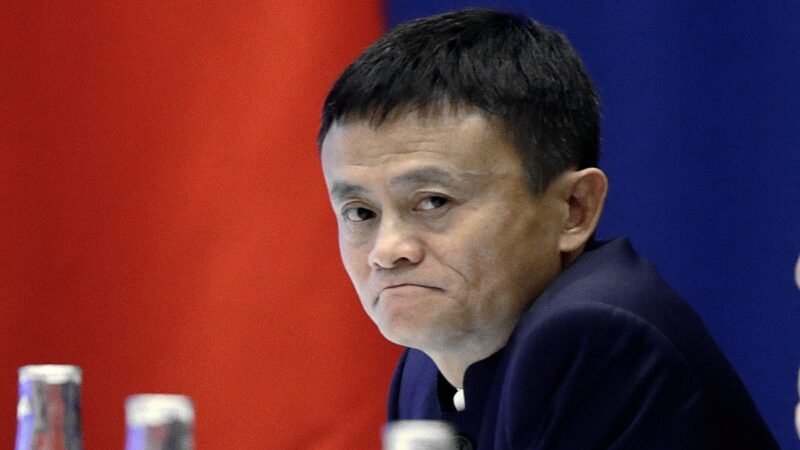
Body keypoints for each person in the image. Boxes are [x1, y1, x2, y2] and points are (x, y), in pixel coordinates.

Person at [318, 8, 778, 449]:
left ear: (574, 209)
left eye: (435, 202)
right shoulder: (423, 370)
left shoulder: (592, 337)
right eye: (360, 213)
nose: (387, 250)